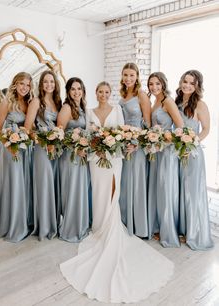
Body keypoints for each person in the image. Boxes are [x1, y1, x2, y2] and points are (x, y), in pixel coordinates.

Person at [60, 81, 174, 304]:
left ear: (110, 94)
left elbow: (122, 133)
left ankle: (111, 226)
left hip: (114, 159)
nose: (103, 95)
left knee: (113, 191)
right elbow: (87, 135)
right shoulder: (89, 111)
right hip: (95, 159)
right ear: (95, 93)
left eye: (106, 92)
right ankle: (99, 226)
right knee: (98, 193)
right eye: (99, 92)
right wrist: (96, 148)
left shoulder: (117, 110)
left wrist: (113, 148)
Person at [175, 70, 214, 250]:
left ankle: (194, 232)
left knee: (192, 193)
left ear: (197, 86)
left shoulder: (200, 104)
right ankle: (182, 229)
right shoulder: (176, 102)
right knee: (179, 192)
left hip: (192, 153)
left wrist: (191, 144)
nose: (187, 85)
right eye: (185, 81)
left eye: (192, 83)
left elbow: (206, 129)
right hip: (176, 152)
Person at [0, 72, 34, 242]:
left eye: (27, 85)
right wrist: (9, 145)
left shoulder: (29, 103)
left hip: (25, 149)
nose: (24, 88)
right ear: (15, 85)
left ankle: (26, 221)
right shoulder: (6, 103)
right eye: (21, 84)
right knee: (15, 184)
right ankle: (14, 225)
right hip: (10, 150)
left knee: (25, 184)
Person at [25, 70, 62, 240]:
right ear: (41, 84)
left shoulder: (57, 102)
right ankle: (44, 226)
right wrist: (43, 140)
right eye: (46, 82)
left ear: (55, 84)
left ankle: (54, 222)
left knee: (53, 185)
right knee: (44, 185)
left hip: (56, 150)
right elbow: (28, 128)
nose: (49, 85)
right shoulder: (36, 102)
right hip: (42, 149)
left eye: (52, 82)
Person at [147, 72, 183, 247]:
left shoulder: (167, 101)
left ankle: (168, 231)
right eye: (151, 84)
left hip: (167, 152)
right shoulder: (155, 102)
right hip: (156, 151)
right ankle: (158, 226)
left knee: (166, 189)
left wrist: (164, 137)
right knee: (158, 189)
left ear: (163, 84)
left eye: (157, 84)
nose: (154, 87)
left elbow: (180, 127)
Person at [119, 62, 151, 237]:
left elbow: (148, 125)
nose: (128, 78)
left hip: (136, 146)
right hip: (123, 144)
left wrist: (137, 143)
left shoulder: (141, 95)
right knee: (125, 183)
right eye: (125, 75)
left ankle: (138, 226)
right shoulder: (123, 95)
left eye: (132, 75)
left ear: (137, 76)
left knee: (135, 183)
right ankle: (125, 221)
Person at [57, 77, 90, 242]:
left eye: (79, 88)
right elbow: (60, 134)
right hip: (70, 156)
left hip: (81, 155)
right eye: (73, 89)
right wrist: (76, 147)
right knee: (72, 189)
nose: (77, 92)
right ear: (68, 92)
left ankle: (81, 223)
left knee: (80, 189)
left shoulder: (82, 108)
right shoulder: (67, 107)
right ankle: (71, 227)